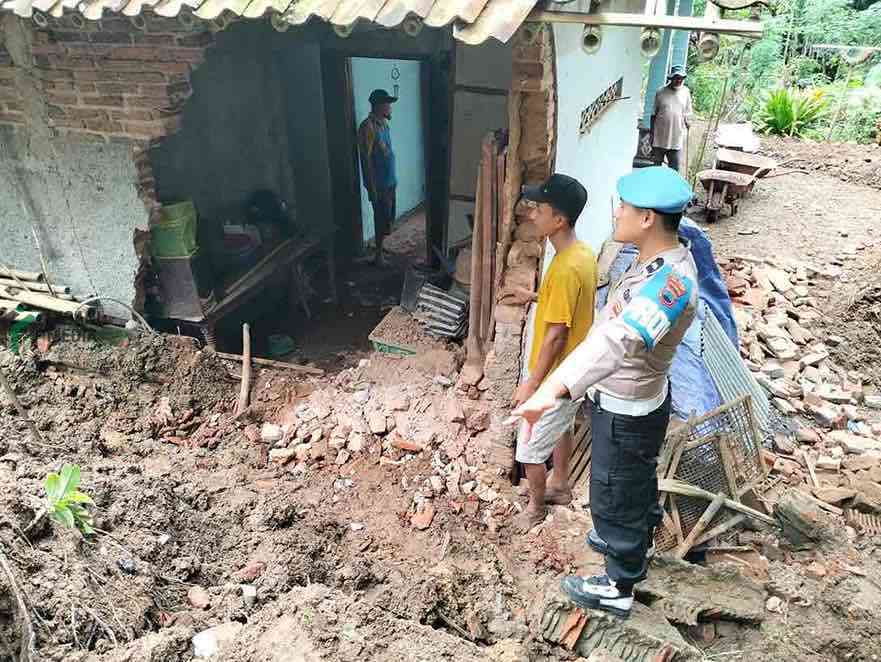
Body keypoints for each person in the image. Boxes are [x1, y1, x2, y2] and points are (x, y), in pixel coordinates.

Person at [510, 166, 699, 619]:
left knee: (615, 491)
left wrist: (550, 387)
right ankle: (626, 540)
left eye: (625, 207)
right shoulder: (648, 258)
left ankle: (618, 584)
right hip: (618, 400)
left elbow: (620, 340)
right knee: (624, 486)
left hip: (629, 411)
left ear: (648, 218)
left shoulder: (672, 284)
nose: (617, 214)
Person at [505, 174, 597, 532]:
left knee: (528, 446)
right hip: (575, 372)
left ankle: (535, 507)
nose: (531, 215)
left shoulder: (561, 269)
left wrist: (532, 384)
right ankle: (560, 483)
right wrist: (533, 298)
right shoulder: (582, 255)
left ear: (559, 220)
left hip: (554, 377)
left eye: (539, 209)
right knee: (562, 428)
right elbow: (568, 309)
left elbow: (556, 334)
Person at [358, 89, 398, 267]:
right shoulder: (368, 127)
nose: (390, 108)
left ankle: (380, 253)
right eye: (388, 104)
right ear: (380, 106)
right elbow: (365, 160)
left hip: (389, 182)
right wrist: (371, 187)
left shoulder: (383, 124)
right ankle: (378, 255)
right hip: (379, 185)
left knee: (387, 219)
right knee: (380, 219)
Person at [651, 64, 693, 174]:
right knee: (656, 169)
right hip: (659, 138)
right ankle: (656, 188)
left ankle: (671, 190)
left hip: (676, 138)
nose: (679, 80)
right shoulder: (660, 92)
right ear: (671, 78)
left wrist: (688, 122)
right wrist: (651, 135)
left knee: (674, 169)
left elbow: (688, 114)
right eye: (676, 78)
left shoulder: (686, 92)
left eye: (681, 78)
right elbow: (653, 115)